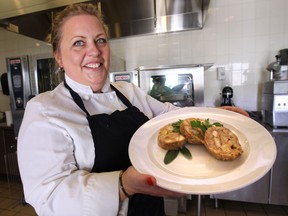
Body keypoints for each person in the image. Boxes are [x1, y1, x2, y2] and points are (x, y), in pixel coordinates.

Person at [17, 3, 249, 216]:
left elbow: (171, 117)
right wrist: (123, 185)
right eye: (79, 42)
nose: (95, 51)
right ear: (58, 56)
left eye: (100, 40)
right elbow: (47, 196)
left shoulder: (128, 92)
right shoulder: (45, 110)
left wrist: (214, 115)